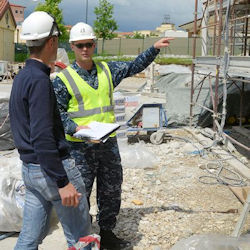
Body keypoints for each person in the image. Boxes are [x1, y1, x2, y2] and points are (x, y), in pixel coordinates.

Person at [52, 22, 173, 250]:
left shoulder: (106, 71)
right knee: (81, 194)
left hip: (107, 144)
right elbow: (57, 114)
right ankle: (83, 236)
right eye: (80, 45)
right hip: (80, 148)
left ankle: (107, 233)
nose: (85, 49)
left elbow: (133, 66)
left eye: (88, 44)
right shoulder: (63, 79)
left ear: (94, 45)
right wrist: (75, 128)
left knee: (111, 189)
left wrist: (154, 48)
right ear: (72, 47)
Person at [9, 12, 91, 250]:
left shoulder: (23, 76)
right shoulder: (40, 81)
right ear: (52, 41)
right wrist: (63, 182)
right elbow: (43, 136)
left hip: (30, 171)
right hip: (51, 170)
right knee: (80, 238)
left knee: (28, 238)